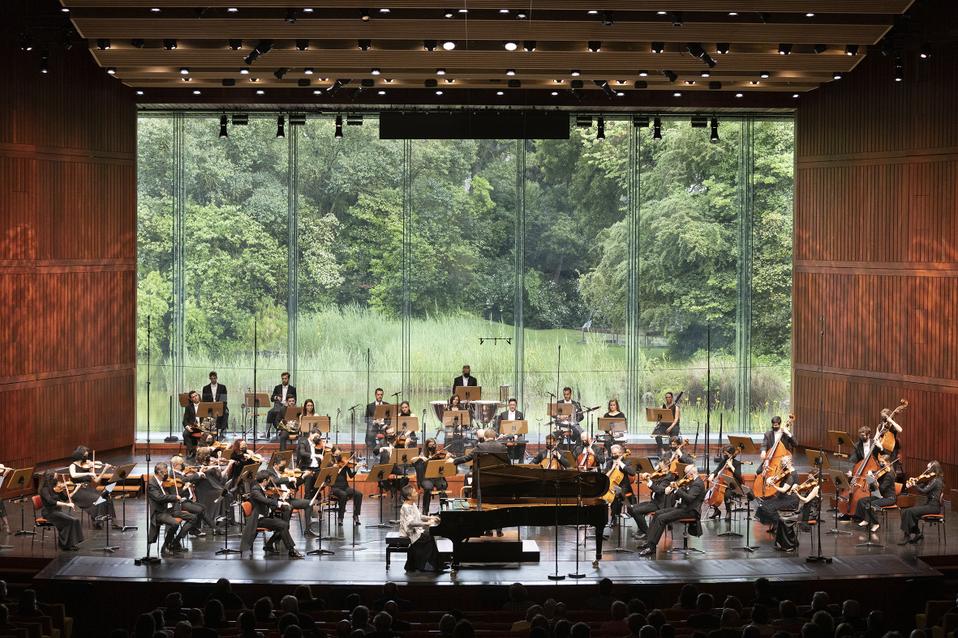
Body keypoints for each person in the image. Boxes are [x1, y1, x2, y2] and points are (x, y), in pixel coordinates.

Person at [637, 464, 705, 556]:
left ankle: (651, 548)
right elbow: (682, 492)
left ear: (691, 474)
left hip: (690, 511)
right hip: (683, 508)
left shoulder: (697, 484)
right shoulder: (691, 482)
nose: (685, 476)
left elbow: (689, 499)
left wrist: (677, 489)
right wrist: (672, 489)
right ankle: (649, 542)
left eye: (686, 474)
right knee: (657, 513)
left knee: (662, 518)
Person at [241, 470, 303, 558]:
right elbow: (265, 501)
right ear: (265, 481)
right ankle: (291, 550)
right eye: (269, 480)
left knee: (283, 526)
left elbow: (269, 501)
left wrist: (281, 502)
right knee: (283, 525)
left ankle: (270, 545)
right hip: (258, 519)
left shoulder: (262, 489)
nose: (270, 482)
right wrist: (280, 503)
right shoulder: (255, 490)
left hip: (265, 517)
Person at [147, 462, 197, 555]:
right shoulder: (151, 483)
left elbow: (167, 493)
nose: (166, 474)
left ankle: (175, 542)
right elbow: (159, 498)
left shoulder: (163, 482)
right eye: (165, 472)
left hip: (170, 509)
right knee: (175, 523)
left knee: (193, 518)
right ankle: (165, 546)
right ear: (159, 472)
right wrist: (174, 497)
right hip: (159, 512)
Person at [68, 446, 117, 528]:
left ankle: (111, 520)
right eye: (85, 456)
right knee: (98, 499)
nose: (86, 458)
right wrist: (88, 473)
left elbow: (97, 480)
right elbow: (73, 475)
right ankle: (97, 520)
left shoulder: (88, 466)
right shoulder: (72, 466)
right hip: (78, 490)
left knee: (106, 497)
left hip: (89, 489)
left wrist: (104, 469)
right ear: (80, 455)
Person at [268, 457, 318, 537]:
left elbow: (295, 485)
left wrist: (303, 477)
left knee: (309, 503)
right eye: (282, 465)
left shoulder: (284, 473)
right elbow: (276, 481)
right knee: (289, 507)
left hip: (288, 499)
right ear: (275, 465)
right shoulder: (270, 472)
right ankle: (285, 532)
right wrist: (289, 478)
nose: (284, 467)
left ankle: (308, 530)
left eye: (284, 465)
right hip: (278, 501)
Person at [398, 485, 443, 573]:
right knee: (429, 537)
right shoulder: (406, 507)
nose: (417, 493)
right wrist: (426, 524)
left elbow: (419, 516)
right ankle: (424, 564)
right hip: (410, 532)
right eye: (414, 492)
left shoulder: (412, 504)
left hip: (416, 529)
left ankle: (434, 563)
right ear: (409, 496)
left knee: (431, 535)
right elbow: (411, 524)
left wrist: (431, 518)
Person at [899, 461, 944, 544]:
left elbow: (924, 491)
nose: (927, 470)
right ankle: (917, 534)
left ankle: (907, 536)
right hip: (929, 504)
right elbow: (923, 488)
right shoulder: (932, 479)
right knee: (907, 511)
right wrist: (915, 481)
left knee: (909, 511)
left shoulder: (936, 481)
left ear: (933, 469)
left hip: (933, 507)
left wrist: (914, 485)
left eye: (928, 468)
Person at [38, 470, 83, 550]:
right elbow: (50, 501)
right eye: (55, 477)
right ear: (50, 478)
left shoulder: (56, 488)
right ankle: (65, 545)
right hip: (49, 512)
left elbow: (65, 498)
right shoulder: (44, 490)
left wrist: (76, 489)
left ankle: (70, 544)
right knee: (71, 521)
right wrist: (67, 504)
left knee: (74, 520)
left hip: (57, 511)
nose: (57, 479)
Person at [628, 459, 671, 543]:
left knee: (635, 510)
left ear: (667, 467)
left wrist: (649, 480)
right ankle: (642, 529)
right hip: (654, 501)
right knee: (631, 508)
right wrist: (649, 476)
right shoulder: (661, 475)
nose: (659, 470)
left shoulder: (668, 478)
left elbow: (658, 490)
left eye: (661, 467)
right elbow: (654, 481)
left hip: (660, 504)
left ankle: (647, 533)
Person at [853, 456, 896, 533]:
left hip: (889, 498)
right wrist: (871, 473)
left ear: (888, 463)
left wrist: (875, 482)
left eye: (883, 462)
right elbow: (876, 472)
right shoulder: (883, 471)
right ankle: (866, 519)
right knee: (861, 501)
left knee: (870, 505)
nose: (881, 463)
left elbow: (882, 488)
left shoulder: (890, 474)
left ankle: (876, 523)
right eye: (880, 462)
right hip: (880, 496)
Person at [755, 455, 798, 530]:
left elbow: (784, 490)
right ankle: (775, 524)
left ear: (790, 462)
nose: (782, 464)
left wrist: (773, 485)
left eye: (784, 462)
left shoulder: (791, 475)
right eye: (782, 462)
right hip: (782, 497)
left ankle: (780, 524)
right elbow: (777, 478)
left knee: (768, 507)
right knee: (763, 504)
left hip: (789, 500)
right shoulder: (786, 472)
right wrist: (770, 478)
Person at [169, 455, 208, 536]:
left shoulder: (179, 473)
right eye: (181, 464)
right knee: (199, 510)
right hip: (180, 503)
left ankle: (194, 528)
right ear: (176, 465)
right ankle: (191, 529)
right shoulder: (173, 474)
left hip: (187, 499)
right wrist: (197, 474)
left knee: (202, 508)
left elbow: (187, 479)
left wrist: (199, 472)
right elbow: (184, 480)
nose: (183, 465)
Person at [706, 446, 747, 520]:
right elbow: (717, 469)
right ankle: (716, 510)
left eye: (726, 454)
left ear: (731, 454)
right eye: (724, 454)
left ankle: (728, 511)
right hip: (722, 483)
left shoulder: (737, 463)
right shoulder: (724, 461)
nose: (724, 455)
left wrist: (731, 466)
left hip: (733, 486)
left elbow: (738, 475)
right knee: (708, 494)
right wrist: (712, 475)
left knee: (727, 495)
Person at [413, 438, 448, 513]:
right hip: (425, 478)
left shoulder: (437, 455)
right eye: (430, 445)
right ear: (427, 446)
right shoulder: (423, 454)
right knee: (428, 487)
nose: (432, 446)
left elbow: (442, 465)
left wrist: (446, 457)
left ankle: (444, 509)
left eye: (434, 445)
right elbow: (412, 461)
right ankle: (425, 510)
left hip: (436, 477)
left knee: (443, 485)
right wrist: (421, 458)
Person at [605, 444, 636, 527]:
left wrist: (621, 463)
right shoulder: (609, 462)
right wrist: (612, 468)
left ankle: (614, 516)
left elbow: (632, 472)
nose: (613, 455)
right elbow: (605, 476)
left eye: (615, 454)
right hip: (611, 485)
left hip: (623, 486)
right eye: (612, 454)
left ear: (620, 453)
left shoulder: (626, 461)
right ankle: (608, 518)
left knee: (616, 495)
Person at [330, 453, 363, 526]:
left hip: (345, 487)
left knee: (359, 494)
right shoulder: (333, 467)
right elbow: (328, 479)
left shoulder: (345, 467)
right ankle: (340, 518)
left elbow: (351, 476)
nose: (346, 463)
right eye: (343, 462)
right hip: (335, 488)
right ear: (339, 462)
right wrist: (334, 469)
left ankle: (356, 515)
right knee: (343, 495)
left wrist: (356, 469)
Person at [267, 372, 297, 437]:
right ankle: (268, 431)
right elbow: (272, 398)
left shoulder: (293, 389)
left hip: (288, 406)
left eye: (285, 378)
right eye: (282, 379)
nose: (284, 380)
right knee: (270, 412)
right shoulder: (277, 387)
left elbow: (295, 399)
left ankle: (279, 428)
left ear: (288, 379)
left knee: (278, 412)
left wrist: (289, 403)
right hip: (278, 405)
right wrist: (276, 397)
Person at [652, 392, 681, 456]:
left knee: (674, 437)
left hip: (673, 425)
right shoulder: (662, 406)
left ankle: (672, 451)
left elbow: (676, 419)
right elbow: (659, 417)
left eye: (669, 397)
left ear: (672, 398)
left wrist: (670, 427)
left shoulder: (676, 407)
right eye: (666, 397)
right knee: (657, 434)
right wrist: (657, 423)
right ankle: (662, 451)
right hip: (664, 425)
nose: (668, 398)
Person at [201, 371, 228, 437]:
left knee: (225, 413)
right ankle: (209, 431)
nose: (213, 380)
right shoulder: (205, 388)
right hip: (210, 407)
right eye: (212, 378)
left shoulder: (223, 387)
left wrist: (220, 407)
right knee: (207, 414)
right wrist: (210, 407)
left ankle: (220, 430)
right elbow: (204, 400)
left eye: (214, 378)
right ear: (209, 378)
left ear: (217, 378)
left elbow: (224, 400)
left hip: (220, 406)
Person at [365, 388, 388, 454]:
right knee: (370, 437)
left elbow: (390, 418)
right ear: (375, 395)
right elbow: (366, 420)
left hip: (384, 428)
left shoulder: (387, 405)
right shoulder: (370, 406)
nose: (380, 396)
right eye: (378, 394)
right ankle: (378, 451)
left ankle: (378, 451)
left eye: (381, 394)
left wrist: (386, 425)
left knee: (387, 437)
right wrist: (374, 421)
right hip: (374, 428)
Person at [182, 390, 203, 457]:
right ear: (191, 399)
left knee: (209, 434)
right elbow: (185, 420)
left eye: (196, 395)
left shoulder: (204, 405)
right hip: (193, 427)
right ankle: (192, 451)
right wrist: (188, 427)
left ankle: (205, 452)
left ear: (198, 396)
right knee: (185, 434)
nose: (195, 397)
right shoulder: (188, 407)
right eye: (193, 397)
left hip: (203, 427)